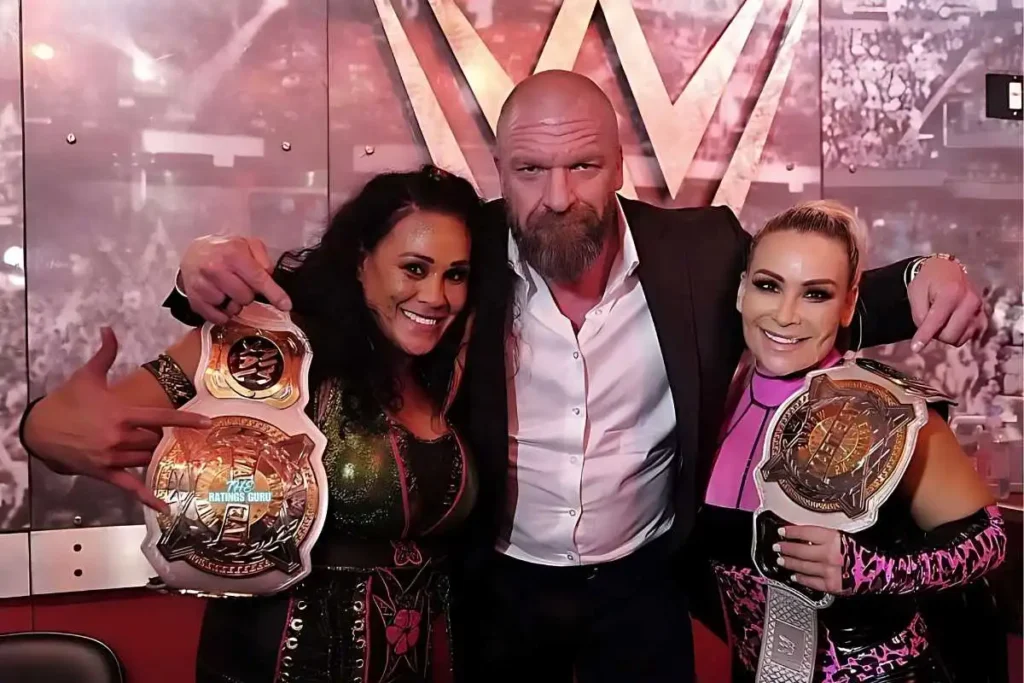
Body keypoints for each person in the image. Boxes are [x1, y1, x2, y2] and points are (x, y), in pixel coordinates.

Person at [22, 71, 986, 683]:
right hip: (488, 591)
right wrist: (200, 278)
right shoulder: (455, 255)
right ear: (498, 167)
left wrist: (923, 277)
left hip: (641, 590)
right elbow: (305, 290)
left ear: (621, 165)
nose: (557, 195)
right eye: (529, 169)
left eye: (582, 167)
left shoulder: (701, 254)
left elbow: (797, 303)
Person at [21, 165, 486, 683]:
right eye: (415, 269)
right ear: (361, 262)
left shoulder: (450, 373)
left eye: (456, 274)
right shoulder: (273, 349)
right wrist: (43, 426)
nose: (437, 295)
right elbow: (68, 426)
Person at [694, 200, 1006, 681]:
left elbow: (989, 540)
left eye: (815, 294)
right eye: (768, 285)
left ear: (848, 303)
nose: (785, 314)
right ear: (741, 292)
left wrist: (872, 570)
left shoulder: (886, 407)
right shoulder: (714, 393)